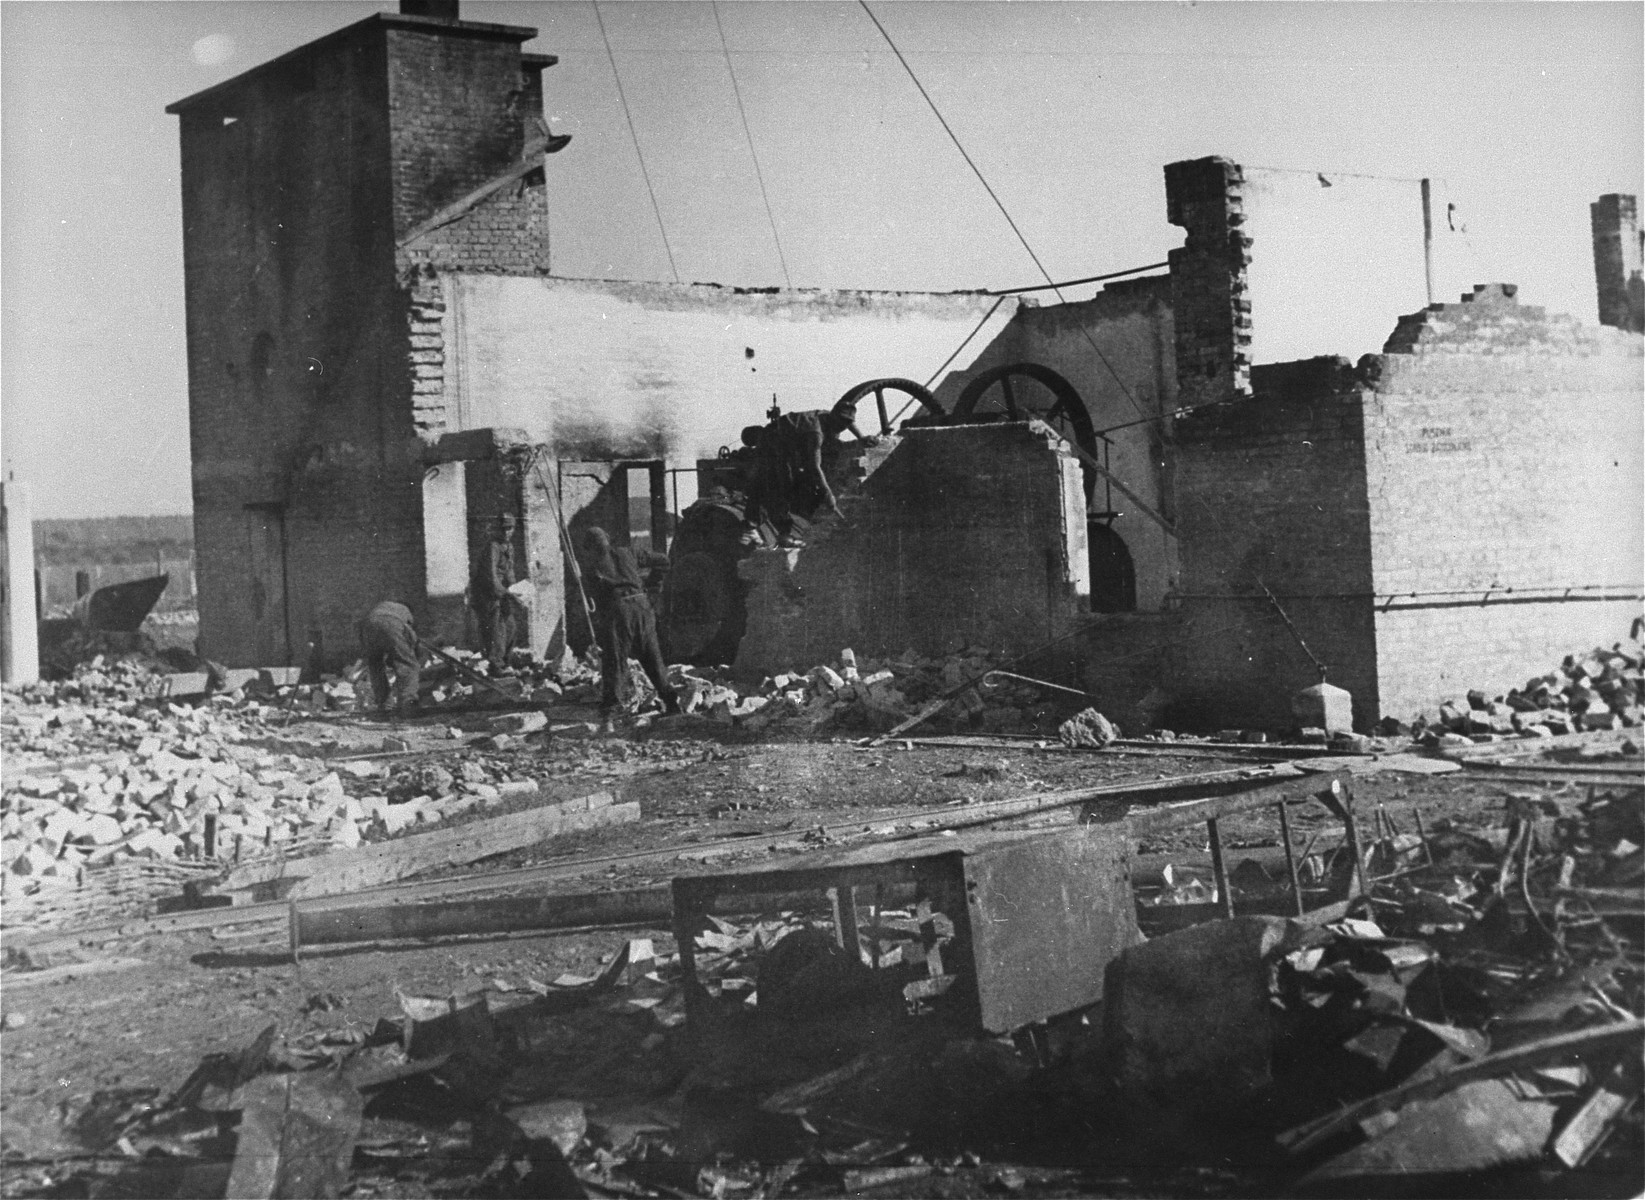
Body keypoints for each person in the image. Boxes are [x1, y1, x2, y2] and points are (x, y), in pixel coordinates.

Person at [745, 397, 875, 548]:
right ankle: (752, 529)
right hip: (772, 441)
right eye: (840, 424)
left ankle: (782, 533)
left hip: (790, 443)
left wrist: (862, 437)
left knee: (790, 482)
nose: (842, 428)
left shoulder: (833, 416)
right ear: (834, 418)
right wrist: (828, 494)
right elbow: (814, 466)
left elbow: (848, 421)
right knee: (779, 484)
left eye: (846, 424)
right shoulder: (816, 432)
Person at [577, 527, 680, 716]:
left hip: (619, 611)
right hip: (642, 606)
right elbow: (663, 561)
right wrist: (652, 585)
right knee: (652, 656)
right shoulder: (628, 552)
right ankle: (671, 703)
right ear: (608, 540)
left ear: (591, 547)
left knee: (615, 659)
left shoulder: (593, 567)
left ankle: (611, 710)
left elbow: (597, 601)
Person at [471, 513, 519, 670]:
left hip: (502, 592)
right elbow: (490, 575)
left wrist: (517, 591)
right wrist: (505, 592)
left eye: (510, 528)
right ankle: (496, 665)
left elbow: (509, 572)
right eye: (503, 529)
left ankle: (506, 662)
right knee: (497, 627)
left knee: (510, 626)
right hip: (487, 593)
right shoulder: (493, 546)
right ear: (498, 529)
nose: (506, 532)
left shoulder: (509, 547)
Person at [355, 600, 421, 712]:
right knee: (409, 665)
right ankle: (408, 704)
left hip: (368, 626)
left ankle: (384, 704)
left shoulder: (382, 606)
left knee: (375, 666)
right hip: (392, 624)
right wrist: (415, 654)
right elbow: (411, 638)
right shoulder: (406, 612)